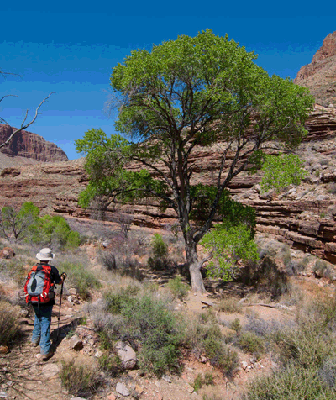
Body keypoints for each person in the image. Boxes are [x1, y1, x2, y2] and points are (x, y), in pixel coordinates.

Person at [29, 248, 65, 360]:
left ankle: (34, 340)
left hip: (34, 298)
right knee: (45, 321)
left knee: (37, 317)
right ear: (49, 259)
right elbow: (59, 282)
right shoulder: (52, 269)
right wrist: (63, 277)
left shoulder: (34, 268)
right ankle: (45, 350)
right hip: (46, 300)